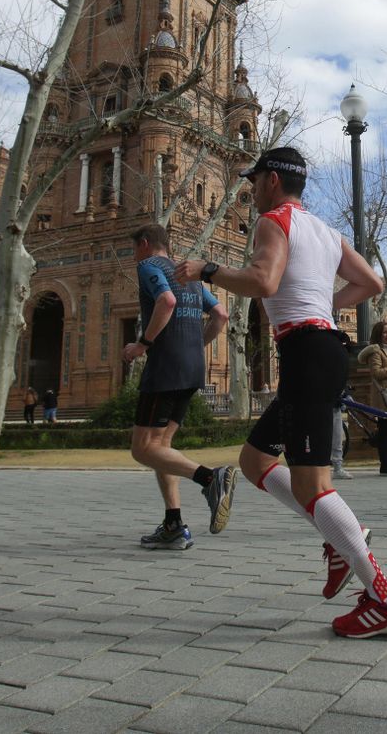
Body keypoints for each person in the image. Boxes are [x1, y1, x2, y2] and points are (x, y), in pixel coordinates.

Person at [174, 147, 387, 638]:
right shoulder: (326, 231)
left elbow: (264, 281)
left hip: (307, 351)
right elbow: (371, 281)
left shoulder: (273, 221)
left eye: (254, 179)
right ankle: (339, 536)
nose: (250, 188)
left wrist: (208, 270)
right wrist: (323, 300)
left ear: (272, 180)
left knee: (313, 486)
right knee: (255, 461)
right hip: (320, 348)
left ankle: (384, 598)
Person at [121, 223, 237, 551]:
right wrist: (195, 345)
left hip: (165, 368)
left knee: (142, 448)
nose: (134, 256)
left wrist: (142, 344)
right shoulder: (189, 271)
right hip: (192, 368)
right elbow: (221, 314)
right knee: (162, 448)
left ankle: (211, 479)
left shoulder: (148, 266)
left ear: (144, 244)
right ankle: (173, 525)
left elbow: (166, 301)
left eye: (134, 249)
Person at [354, 324, 387, 476]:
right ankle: (385, 465)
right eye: (384, 332)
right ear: (378, 334)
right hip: (385, 396)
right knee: (385, 431)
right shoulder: (375, 352)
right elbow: (376, 373)